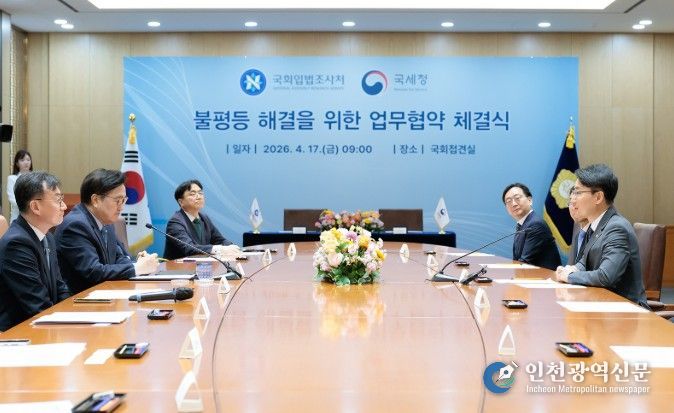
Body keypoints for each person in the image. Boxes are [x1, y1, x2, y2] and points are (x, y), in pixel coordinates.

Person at [555, 164, 647, 306]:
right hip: (601, 303)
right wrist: (570, 269)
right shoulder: (595, 225)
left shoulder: (616, 228)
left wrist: (570, 276)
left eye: (578, 192)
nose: (572, 199)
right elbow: (584, 262)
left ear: (598, 197)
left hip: (625, 310)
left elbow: (606, 276)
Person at [55, 169, 159, 294]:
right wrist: (137, 268)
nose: (121, 207)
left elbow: (119, 258)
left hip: (106, 294)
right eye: (117, 200)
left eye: (123, 200)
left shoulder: (106, 221)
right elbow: (94, 272)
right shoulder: (75, 226)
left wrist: (140, 264)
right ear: (95, 200)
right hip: (80, 299)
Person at [0, 172, 70, 331]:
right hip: (18, 333)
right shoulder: (16, 244)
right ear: (35, 207)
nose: (64, 206)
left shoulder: (47, 237)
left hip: (43, 324)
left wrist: (74, 315)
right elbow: (37, 305)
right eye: (58, 200)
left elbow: (60, 289)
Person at [164, 179, 241, 260]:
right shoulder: (175, 222)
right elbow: (189, 248)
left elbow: (219, 239)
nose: (199, 197)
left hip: (202, 265)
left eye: (200, 193)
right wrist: (219, 249)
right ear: (181, 202)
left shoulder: (204, 218)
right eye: (193, 194)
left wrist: (232, 247)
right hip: (178, 267)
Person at [502, 183, 561, 270]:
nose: (513, 204)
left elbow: (524, 263)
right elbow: (517, 261)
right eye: (508, 201)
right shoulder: (522, 224)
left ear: (530, 200)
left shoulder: (535, 225)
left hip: (545, 277)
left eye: (517, 198)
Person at [6, 149, 33, 223]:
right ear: (17, 163)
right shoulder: (12, 178)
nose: (26, 162)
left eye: (28, 160)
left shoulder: (36, 178)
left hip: (34, 217)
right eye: (22, 160)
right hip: (17, 217)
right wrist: (30, 206)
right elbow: (13, 199)